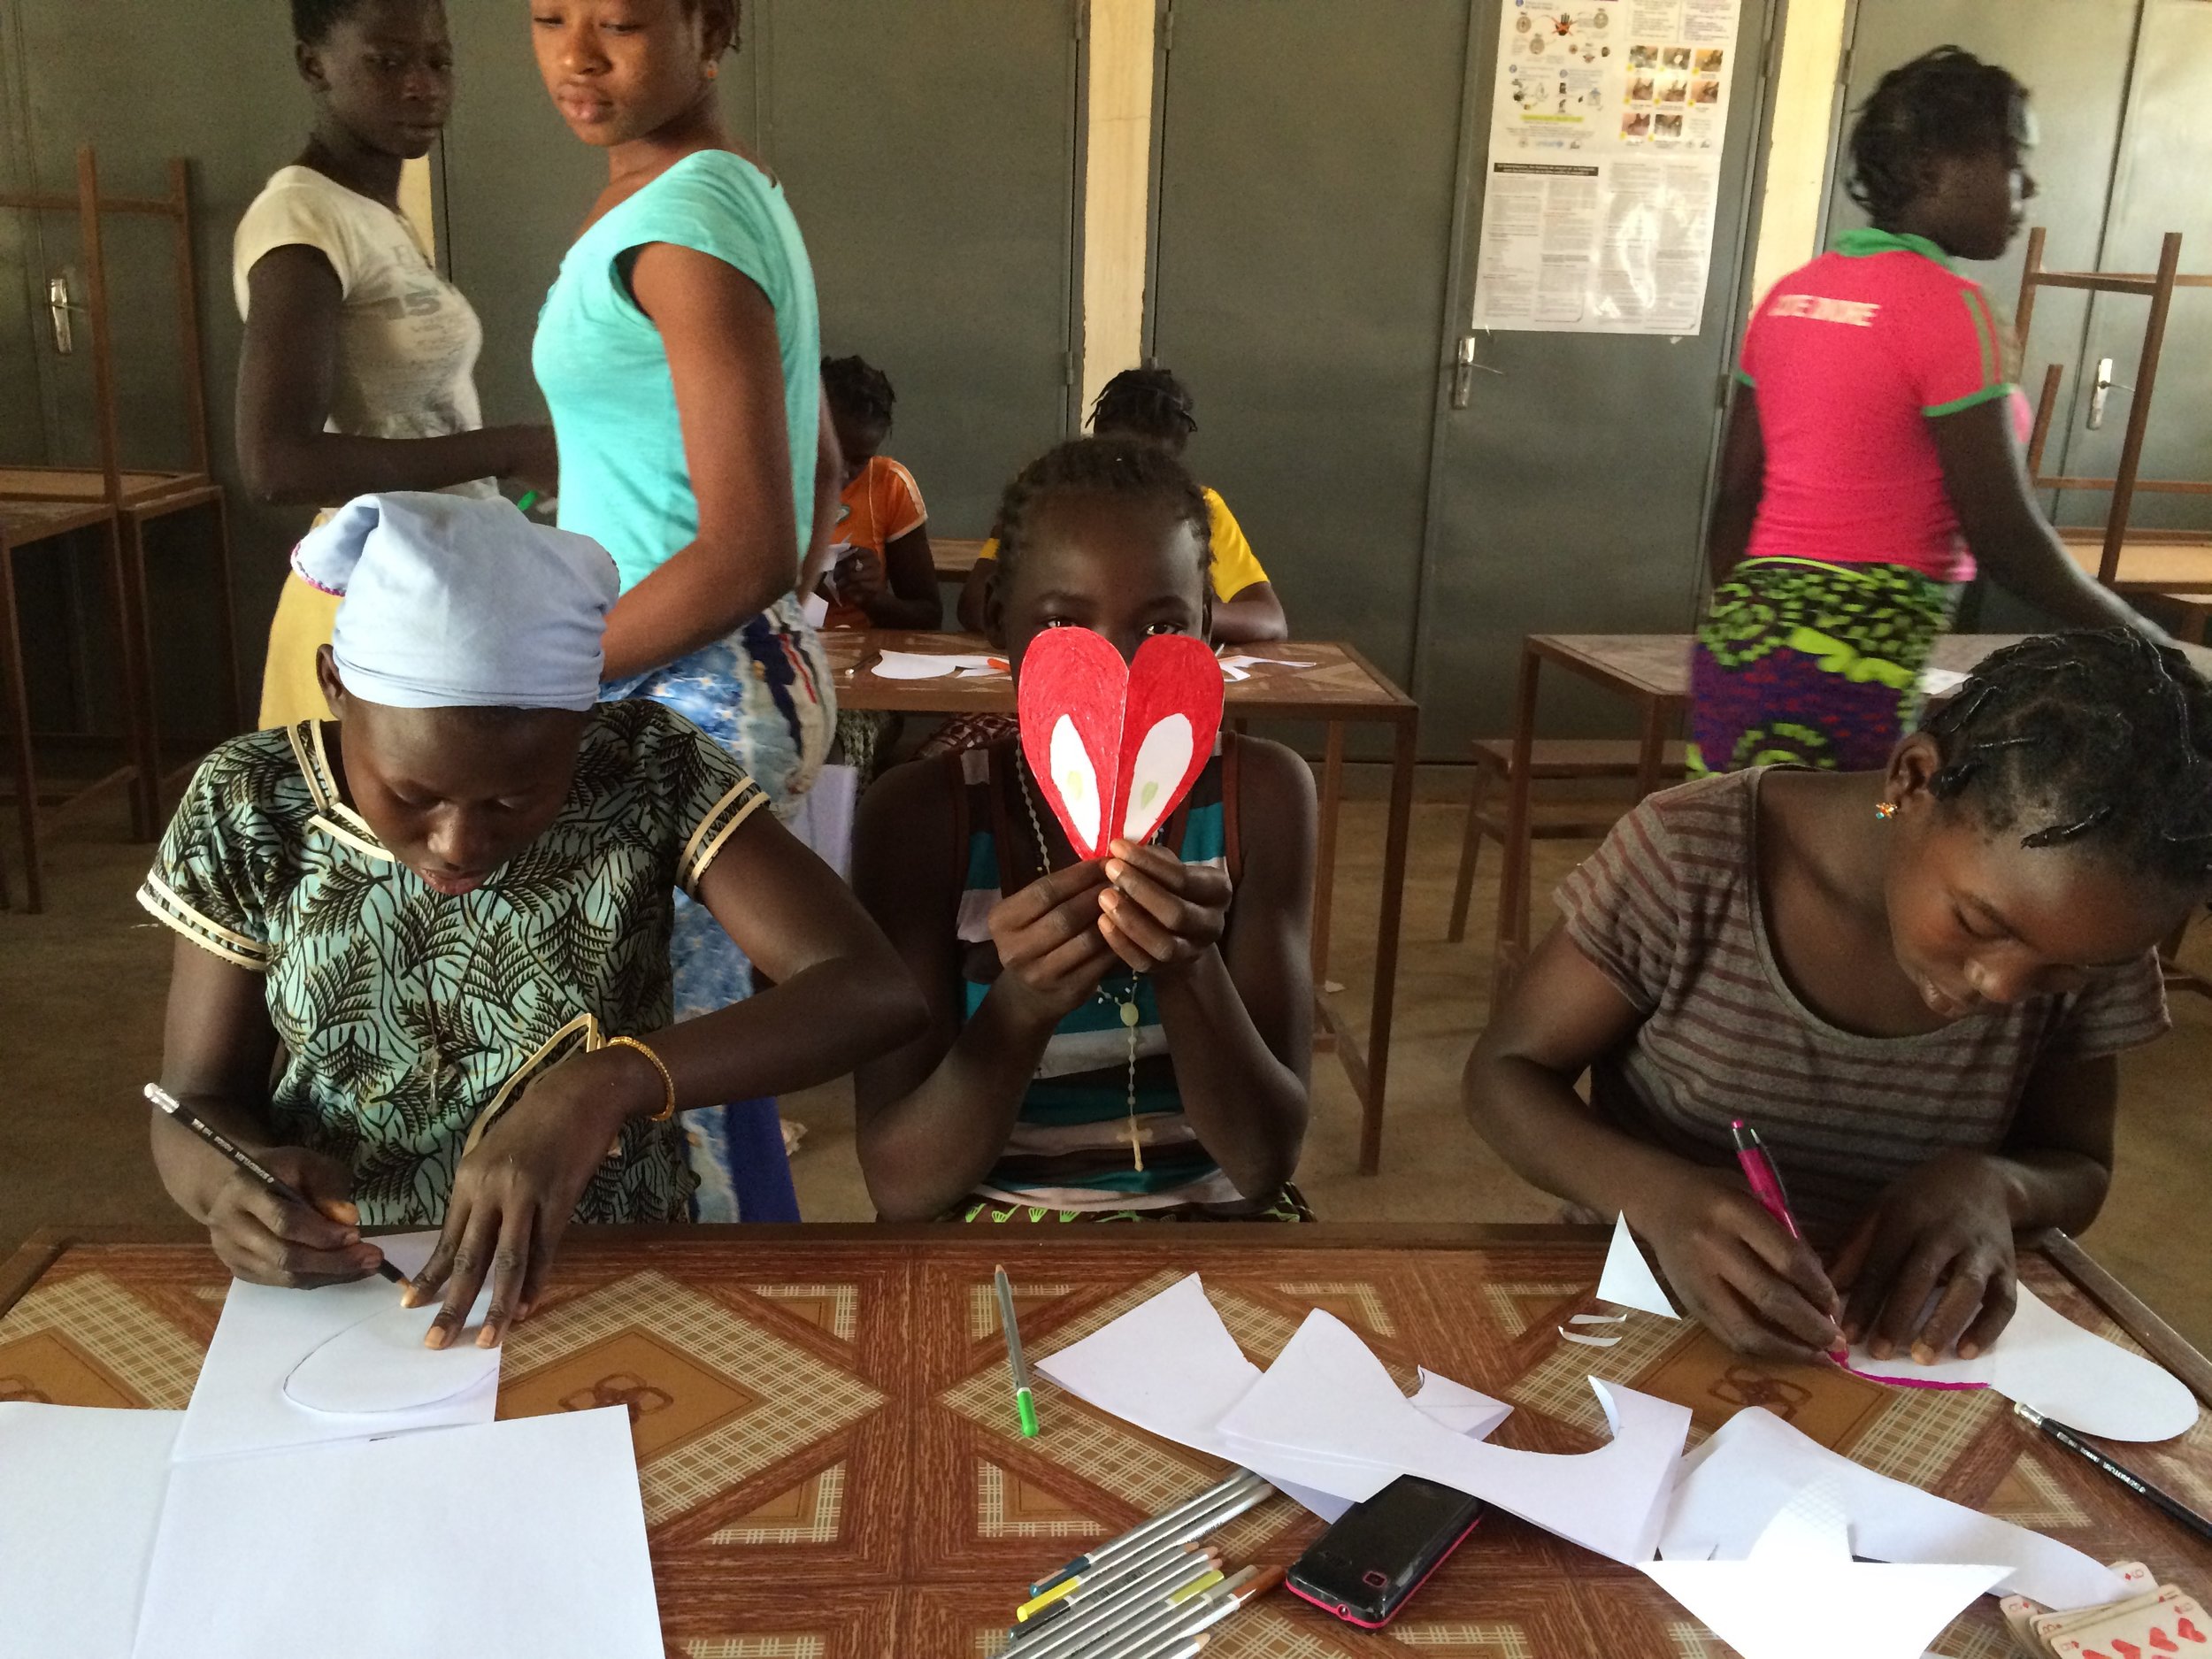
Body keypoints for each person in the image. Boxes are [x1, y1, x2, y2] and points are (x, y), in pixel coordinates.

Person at [139, 493, 924, 1346]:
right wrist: (229, 1189)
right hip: (353, 1293)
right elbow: (197, 1097)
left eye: (518, 797)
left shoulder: (643, 768)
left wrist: (606, 1082)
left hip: (604, 1269)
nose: (458, 841)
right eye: (412, 794)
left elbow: (870, 990)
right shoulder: (254, 803)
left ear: (583, 723)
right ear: (335, 685)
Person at [1464, 631, 2212, 1369]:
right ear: (1913, 781)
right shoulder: (1693, 857)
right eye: (1979, 923)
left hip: (1893, 1351)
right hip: (1642, 1311)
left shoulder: (2092, 932)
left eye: (2066, 973)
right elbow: (1505, 1072)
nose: (2003, 987)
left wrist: (1999, 1185)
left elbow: (2079, 1165)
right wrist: (1655, 1198)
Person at [530, 0, 843, 1217]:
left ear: (714, 27)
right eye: (549, 16)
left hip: (683, 681)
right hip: (726, 668)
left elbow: (749, 540)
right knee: (707, 1046)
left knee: (669, 1071)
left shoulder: (684, 222)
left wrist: (542, 670)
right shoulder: (724, 190)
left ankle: (729, 1335)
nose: (577, 54)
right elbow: (813, 466)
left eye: (623, 23)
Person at [853, 437, 1317, 1223]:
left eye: (1164, 627)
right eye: (1067, 622)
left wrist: (1187, 970)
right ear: (1000, 621)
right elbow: (901, 1184)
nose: (1119, 671)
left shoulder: (1259, 797)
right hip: (994, 1228)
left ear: (1208, 626)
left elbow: (1266, 1157)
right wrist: (1020, 1004)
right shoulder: (922, 819)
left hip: (1218, 1227)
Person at [1693, 48, 2164, 778]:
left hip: (1740, 662)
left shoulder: (1791, 295)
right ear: (1931, 170)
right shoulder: (1952, 310)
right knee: (1886, 834)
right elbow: (2004, 536)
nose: (2028, 183)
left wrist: (1775, 636)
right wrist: (2153, 648)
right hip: (1855, 673)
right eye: (2012, 159)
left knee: (1751, 859)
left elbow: (1733, 501)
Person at [237, 0, 557, 729]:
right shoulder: (300, 222)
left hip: (425, 589)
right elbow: (275, 462)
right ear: (313, 66)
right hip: (362, 606)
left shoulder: (373, 213)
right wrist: (510, 449)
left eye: (438, 61)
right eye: (387, 62)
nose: (422, 85)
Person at [957, 368, 1289, 645]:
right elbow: (975, 604)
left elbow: (1270, 620)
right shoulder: (1046, 505)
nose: (1117, 665)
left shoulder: (1190, 514)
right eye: (1063, 623)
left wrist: (1180, 619)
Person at [818, 354, 941, 633]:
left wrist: (875, 599)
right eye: (829, 452)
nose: (842, 471)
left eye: (859, 460)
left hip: (861, 656)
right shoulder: (770, 483)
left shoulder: (890, 485)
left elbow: (929, 617)